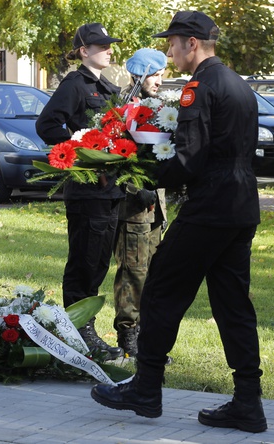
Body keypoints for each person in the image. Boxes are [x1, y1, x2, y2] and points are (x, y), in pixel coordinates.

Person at [90, 11, 267, 433]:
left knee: (161, 291)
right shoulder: (238, 84)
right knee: (233, 305)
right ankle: (248, 401)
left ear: (192, 43)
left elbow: (188, 159)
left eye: (172, 42)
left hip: (210, 209)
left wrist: (136, 168)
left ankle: (146, 389)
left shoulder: (199, 89)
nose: (169, 51)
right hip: (241, 207)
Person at [35, 23, 125, 360]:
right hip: (88, 190)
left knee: (99, 262)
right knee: (85, 262)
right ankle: (79, 332)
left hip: (111, 189)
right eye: (101, 46)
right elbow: (46, 124)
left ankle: (84, 328)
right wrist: (77, 150)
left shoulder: (108, 87)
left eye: (109, 44)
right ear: (84, 51)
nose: (108, 50)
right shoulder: (76, 84)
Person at [113, 48, 168, 357]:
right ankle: (128, 333)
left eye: (162, 75)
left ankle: (148, 336)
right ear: (139, 75)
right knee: (133, 271)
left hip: (156, 204)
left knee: (154, 271)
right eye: (154, 75)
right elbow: (115, 156)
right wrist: (136, 191)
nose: (159, 81)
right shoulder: (123, 108)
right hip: (133, 205)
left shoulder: (157, 107)